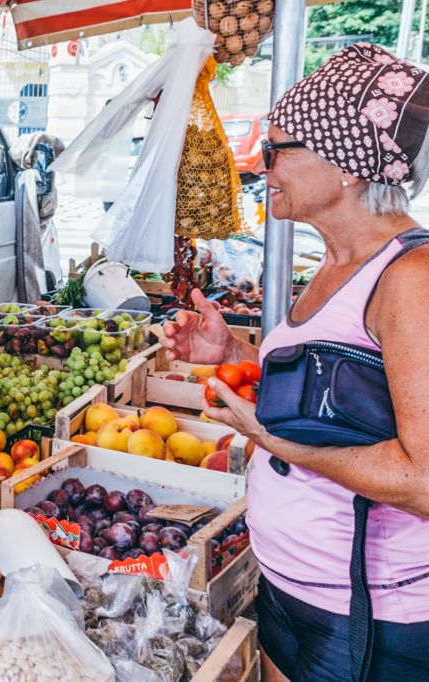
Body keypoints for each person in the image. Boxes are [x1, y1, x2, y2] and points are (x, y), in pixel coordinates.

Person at [163, 44, 429, 681]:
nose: (262, 162)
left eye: (281, 148)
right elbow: (348, 384)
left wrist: (274, 439)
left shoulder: (411, 280)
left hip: (371, 620)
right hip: (293, 591)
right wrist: (236, 354)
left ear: (349, 167)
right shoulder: (338, 267)